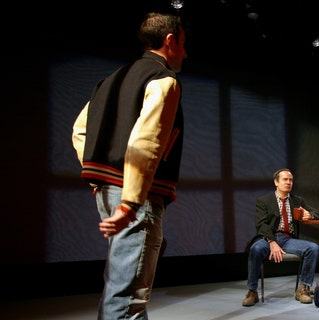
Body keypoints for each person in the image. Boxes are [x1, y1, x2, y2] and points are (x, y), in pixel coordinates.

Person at [71, 12, 188, 319]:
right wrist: (131, 202)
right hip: (136, 199)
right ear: (170, 40)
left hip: (111, 194)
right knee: (125, 299)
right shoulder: (164, 81)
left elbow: (79, 131)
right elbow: (146, 140)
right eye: (184, 44)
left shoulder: (109, 81)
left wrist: (99, 181)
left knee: (122, 287)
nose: (185, 53)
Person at [243, 168, 319, 306]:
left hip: (288, 240)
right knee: (255, 249)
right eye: (285, 179)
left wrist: (310, 215)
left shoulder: (297, 200)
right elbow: (261, 224)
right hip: (268, 239)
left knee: (313, 248)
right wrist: (272, 242)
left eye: (291, 180)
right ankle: (252, 291)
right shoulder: (264, 201)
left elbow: (318, 212)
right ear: (276, 182)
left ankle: (303, 288)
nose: (289, 182)